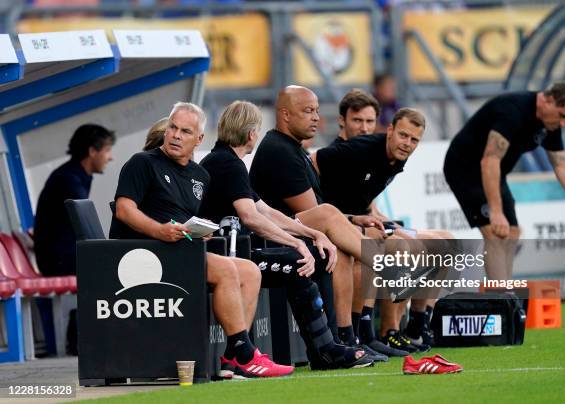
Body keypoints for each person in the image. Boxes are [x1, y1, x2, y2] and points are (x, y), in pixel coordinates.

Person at [109, 102, 293, 379]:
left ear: (199, 139)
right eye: (172, 127)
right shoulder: (142, 162)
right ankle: (245, 353)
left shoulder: (200, 175)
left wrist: (199, 231)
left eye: (185, 131)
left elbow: (186, 218)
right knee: (228, 269)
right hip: (144, 254)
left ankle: (231, 357)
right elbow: (124, 210)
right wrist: (160, 231)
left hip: (179, 251)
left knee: (250, 271)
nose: (175, 135)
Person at [249, 85, 421, 359]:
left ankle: (353, 336)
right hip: (272, 237)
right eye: (307, 111)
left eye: (317, 111)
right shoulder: (279, 150)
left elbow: (317, 212)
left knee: (347, 245)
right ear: (285, 115)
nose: (316, 117)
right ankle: (385, 269)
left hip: (296, 229)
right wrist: (348, 221)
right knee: (335, 225)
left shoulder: (293, 149)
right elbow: (317, 214)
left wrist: (354, 217)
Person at [199, 100, 373, 369]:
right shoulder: (227, 163)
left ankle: (329, 345)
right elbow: (251, 217)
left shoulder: (227, 161)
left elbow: (266, 211)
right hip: (226, 258)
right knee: (297, 264)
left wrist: (310, 234)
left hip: (236, 253)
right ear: (251, 133)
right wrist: (296, 243)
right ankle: (325, 350)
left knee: (307, 255)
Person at [315, 89, 445, 349]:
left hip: (361, 221)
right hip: (339, 226)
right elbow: (313, 162)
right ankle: (381, 331)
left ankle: (418, 326)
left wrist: (382, 220)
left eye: (369, 121)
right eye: (357, 120)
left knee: (444, 243)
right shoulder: (356, 149)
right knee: (406, 247)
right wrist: (318, 209)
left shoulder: (393, 157)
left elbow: (365, 201)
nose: (364, 128)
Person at [444, 81, 565, 279]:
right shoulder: (513, 111)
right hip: (465, 168)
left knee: (512, 232)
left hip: (494, 172)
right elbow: (489, 160)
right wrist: (495, 211)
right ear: (549, 100)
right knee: (494, 233)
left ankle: (503, 294)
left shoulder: (550, 123)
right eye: (562, 116)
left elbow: (562, 164)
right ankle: (500, 300)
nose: (563, 123)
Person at [34, 124, 115, 277]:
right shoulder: (69, 179)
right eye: (107, 150)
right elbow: (87, 225)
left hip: (63, 256)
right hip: (60, 261)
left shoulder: (74, 175)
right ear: (92, 151)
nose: (111, 157)